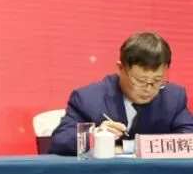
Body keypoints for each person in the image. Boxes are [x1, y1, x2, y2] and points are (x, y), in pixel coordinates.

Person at [49, 32, 193, 155]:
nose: (149, 89)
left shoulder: (173, 98)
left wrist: (126, 148)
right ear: (120, 68)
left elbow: (189, 139)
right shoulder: (88, 99)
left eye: (157, 80)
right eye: (140, 80)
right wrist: (95, 135)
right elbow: (60, 141)